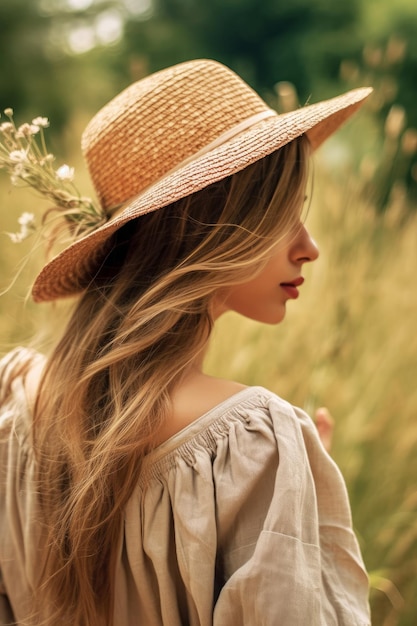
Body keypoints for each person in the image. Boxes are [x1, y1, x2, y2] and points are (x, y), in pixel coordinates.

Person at [0, 59, 372, 626]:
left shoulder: (14, 396)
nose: (309, 247)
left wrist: (294, 497)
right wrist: (295, 508)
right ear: (207, 227)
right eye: (282, 216)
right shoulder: (254, 442)